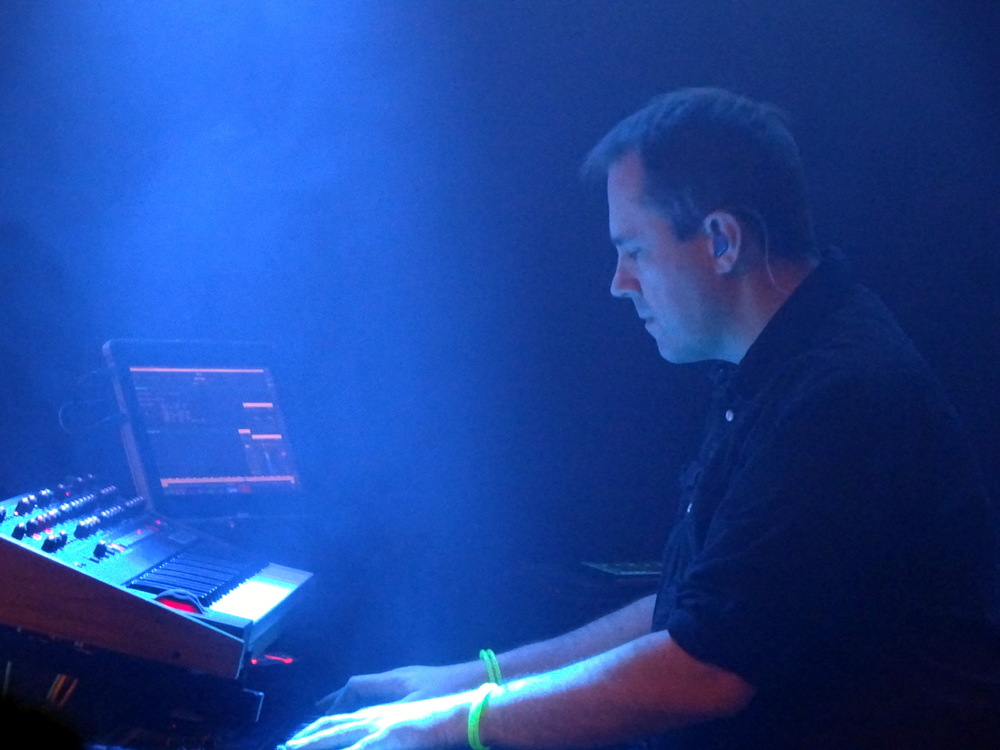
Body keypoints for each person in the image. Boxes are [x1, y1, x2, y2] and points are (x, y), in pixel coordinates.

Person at [282, 88, 1000, 749]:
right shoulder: (781, 364)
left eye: (633, 251)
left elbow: (706, 668)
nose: (619, 283)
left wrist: (445, 727)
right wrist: (472, 681)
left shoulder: (841, 395)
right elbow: (697, 607)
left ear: (722, 240)